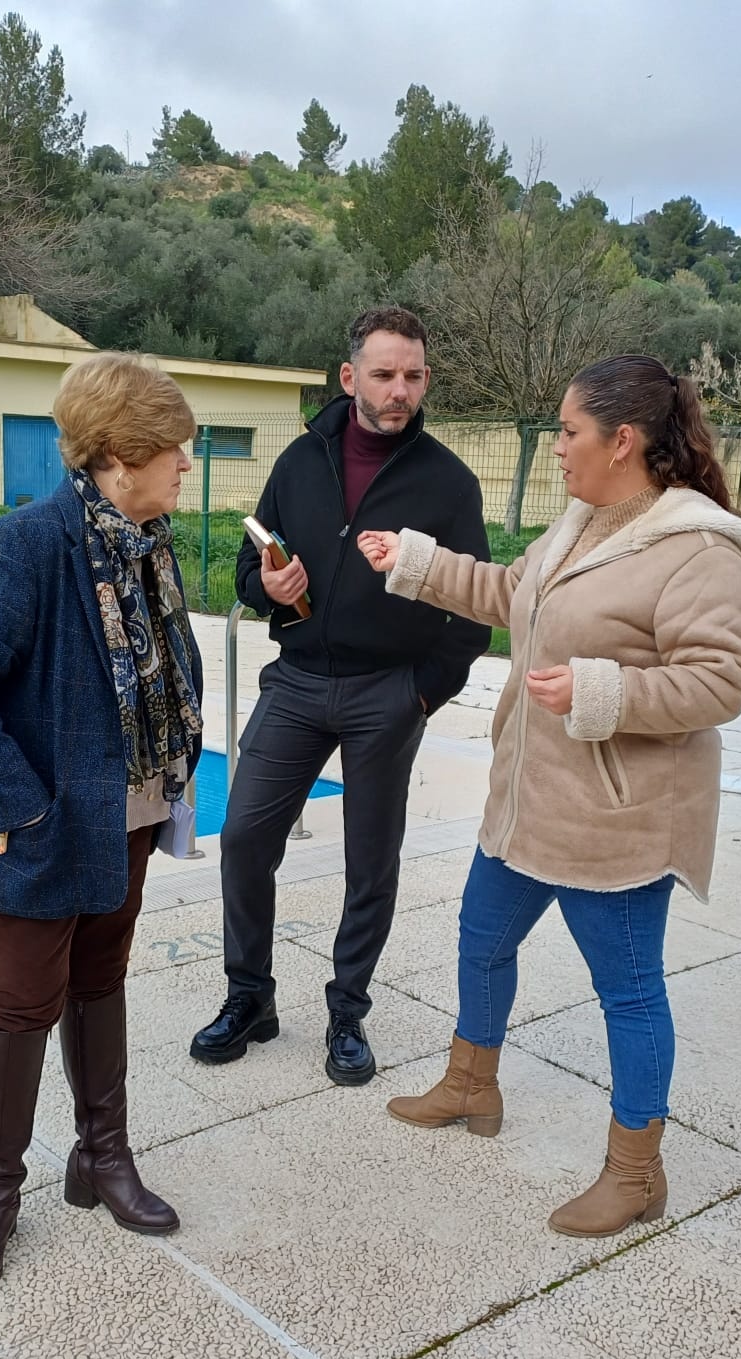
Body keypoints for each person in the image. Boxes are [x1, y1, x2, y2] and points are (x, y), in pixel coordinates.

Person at [357, 353, 741, 1237]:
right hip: (528, 802)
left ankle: (636, 1171)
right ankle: (471, 1085)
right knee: (480, 937)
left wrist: (602, 691)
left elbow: (722, 682)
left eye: (570, 432)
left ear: (623, 441)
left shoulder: (697, 548)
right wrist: (416, 563)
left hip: (613, 820)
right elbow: (515, 593)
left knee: (628, 991)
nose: (557, 449)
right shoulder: (582, 521)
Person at [0, 352, 203, 1300]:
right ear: (121, 455)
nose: (186, 467)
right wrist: (20, 808)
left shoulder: (144, 542)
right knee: (22, 999)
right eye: (176, 451)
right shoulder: (30, 547)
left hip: (123, 816)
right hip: (39, 827)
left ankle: (102, 1159)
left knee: (101, 978)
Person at [190, 307, 492, 1086]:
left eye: (415, 376)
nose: (401, 391)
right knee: (246, 838)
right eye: (386, 374)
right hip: (294, 683)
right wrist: (268, 586)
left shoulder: (449, 483)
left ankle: (347, 1014)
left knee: (371, 863)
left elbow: (476, 605)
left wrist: (422, 694)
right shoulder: (298, 462)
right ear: (349, 376)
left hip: (385, 693)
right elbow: (244, 566)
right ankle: (249, 996)